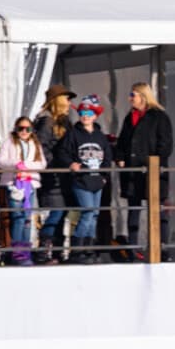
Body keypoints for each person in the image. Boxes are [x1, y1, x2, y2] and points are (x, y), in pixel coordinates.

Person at [115, 83, 173, 261]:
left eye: (133, 95)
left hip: (152, 172)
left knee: (157, 210)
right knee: (133, 210)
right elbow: (122, 141)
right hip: (133, 173)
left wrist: (154, 164)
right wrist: (120, 157)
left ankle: (161, 247)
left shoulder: (158, 117)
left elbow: (166, 144)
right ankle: (133, 248)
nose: (130, 98)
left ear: (143, 96)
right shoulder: (129, 117)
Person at [60, 96, 113, 263]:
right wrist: (70, 163)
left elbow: (107, 157)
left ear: (95, 115)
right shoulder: (73, 134)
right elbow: (62, 152)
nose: (85, 115)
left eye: (89, 113)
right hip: (81, 181)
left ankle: (89, 248)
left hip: (97, 181)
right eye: (82, 112)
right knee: (88, 212)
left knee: (95, 214)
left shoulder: (100, 136)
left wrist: (104, 176)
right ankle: (77, 249)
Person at [32, 84, 75, 264]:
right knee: (56, 213)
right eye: (66, 98)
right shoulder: (46, 121)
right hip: (52, 174)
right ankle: (43, 250)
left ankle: (57, 251)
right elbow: (41, 148)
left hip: (64, 175)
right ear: (57, 100)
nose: (69, 102)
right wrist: (56, 163)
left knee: (62, 213)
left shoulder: (64, 121)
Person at [0, 119, 45, 265]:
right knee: (18, 218)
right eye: (21, 128)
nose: (24, 132)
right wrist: (16, 165)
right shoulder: (9, 142)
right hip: (14, 184)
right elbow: (1, 161)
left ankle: (26, 252)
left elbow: (42, 163)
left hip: (30, 184)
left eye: (27, 129)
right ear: (16, 128)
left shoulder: (35, 144)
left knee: (28, 220)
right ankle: (17, 254)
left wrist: (25, 166)